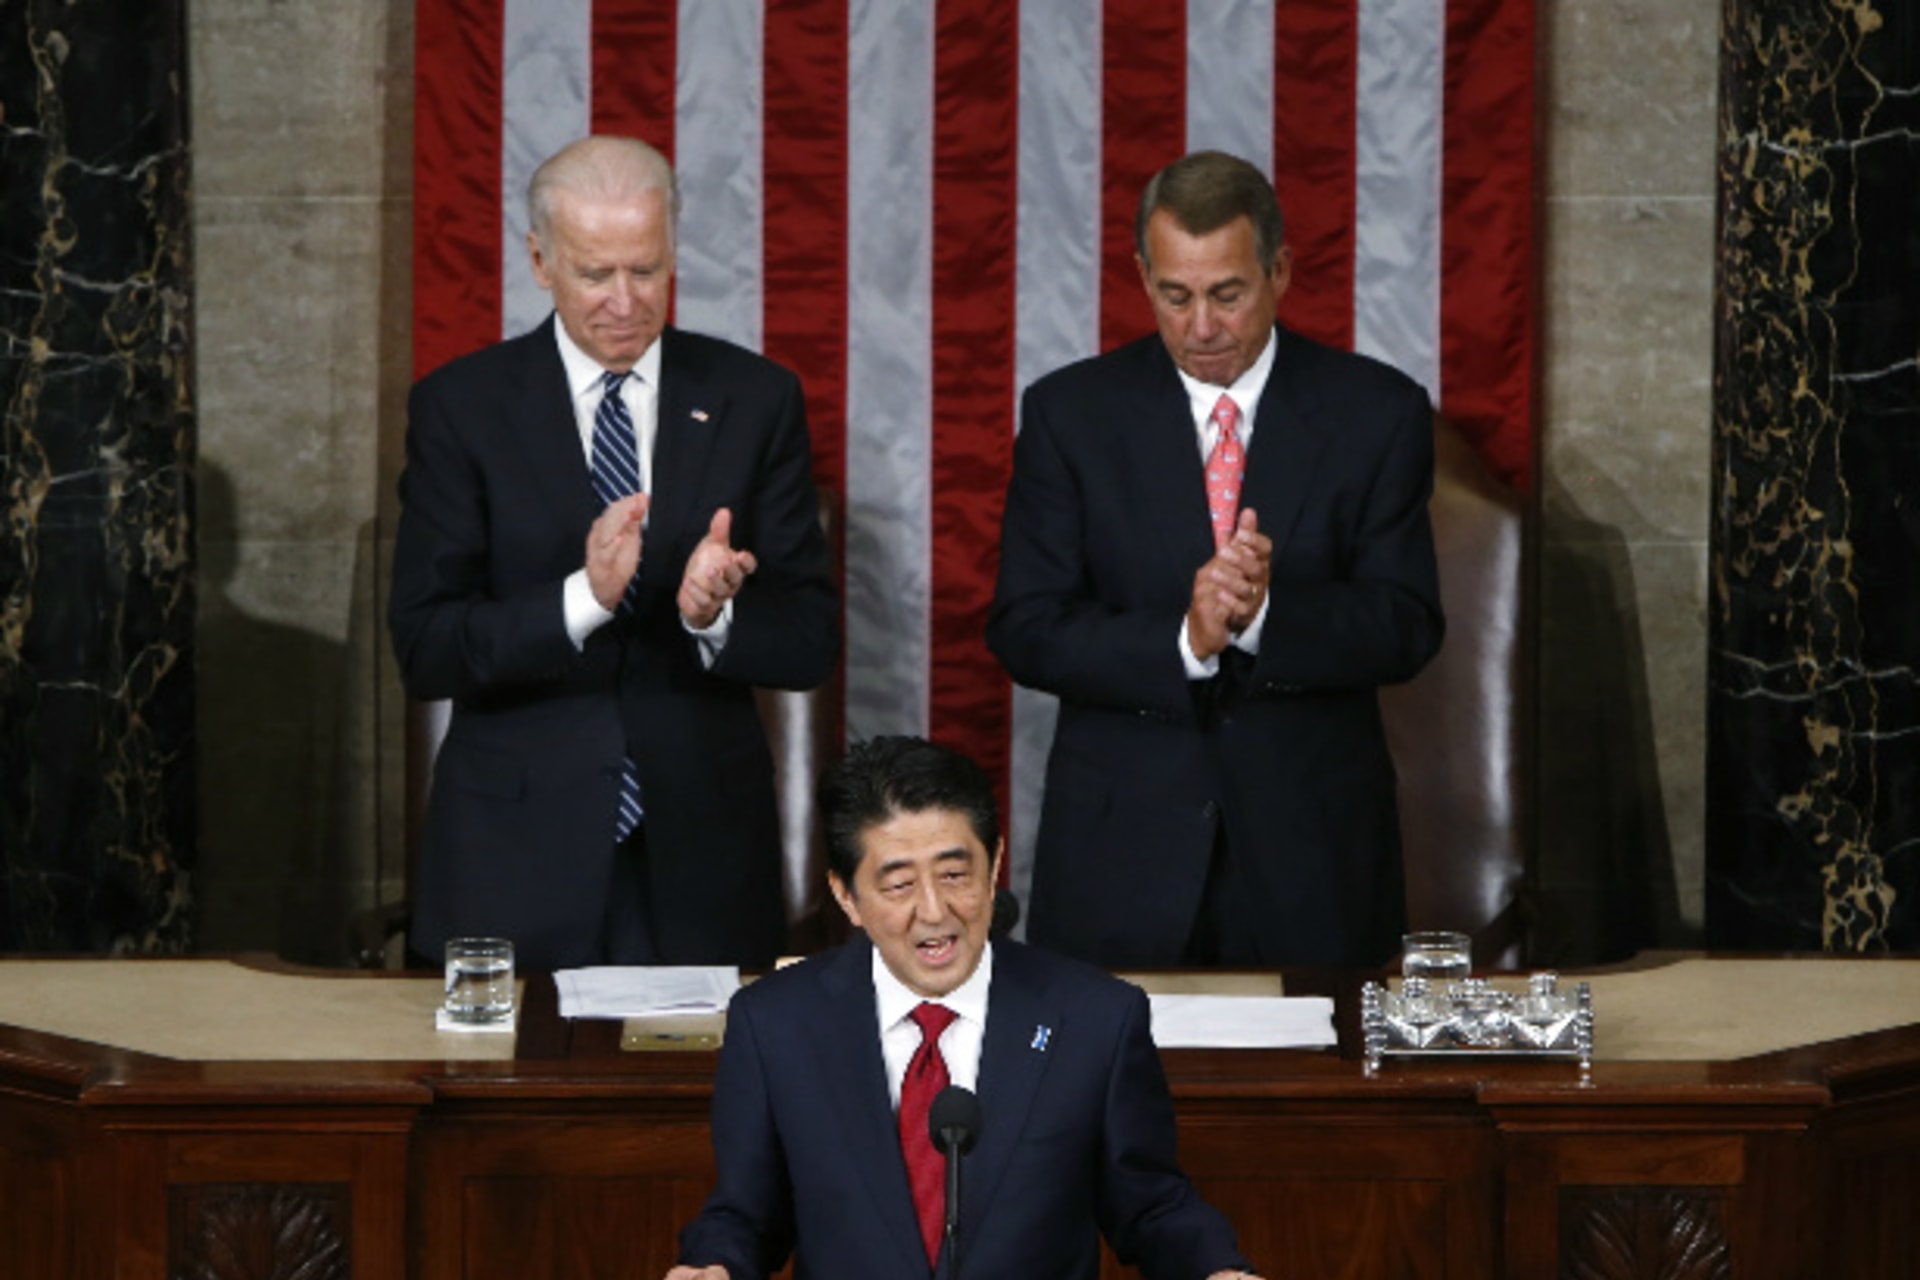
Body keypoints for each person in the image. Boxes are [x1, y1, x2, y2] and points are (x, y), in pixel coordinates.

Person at [389, 136, 837, 971]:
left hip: (703, 854)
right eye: (597, 275)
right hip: (514, 857)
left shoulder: (755, 398)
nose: (626, 302)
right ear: (540, 261)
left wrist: (716, 616)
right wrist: (583, 600)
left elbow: (809, 640)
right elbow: (425, 649)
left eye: (648, 270)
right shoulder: (461, 408)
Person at [988, 150, 1444, 969]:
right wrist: (1185, 639)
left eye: (1227, 294)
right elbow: (1026, 628)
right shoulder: (1071, 415)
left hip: (1313, 866)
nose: (1201, 326)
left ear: (1279, 270)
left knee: (1316, 1101)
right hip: (1120, 864)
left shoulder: (1377, 413)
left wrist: (1265, 615)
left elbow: (1406, 624)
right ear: (1143, 275)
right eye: (1175, 294)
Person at [666, 736, 1264, 1280]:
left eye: (956, 874)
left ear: (995, 863)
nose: (934, 911)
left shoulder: (1095, 1019)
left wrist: (1215, 1270)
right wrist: (714, 1266)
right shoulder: (775, 1025)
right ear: (846, 896)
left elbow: (1151, 1204)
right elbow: (747, 1214)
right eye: (899, 885)